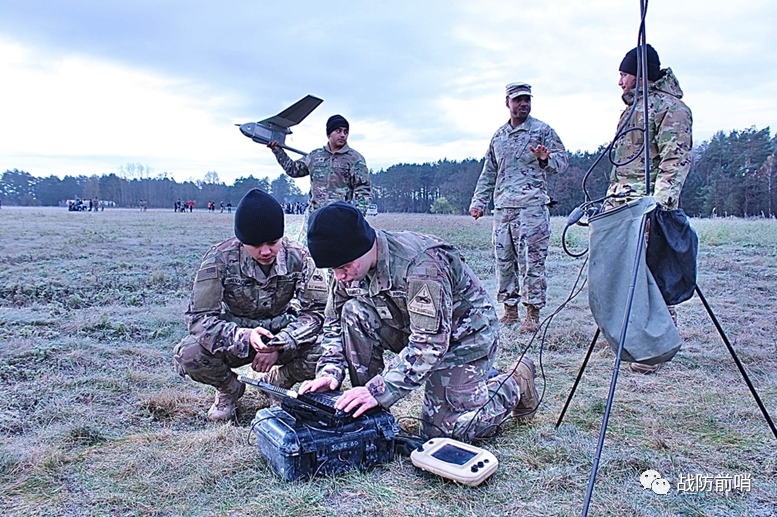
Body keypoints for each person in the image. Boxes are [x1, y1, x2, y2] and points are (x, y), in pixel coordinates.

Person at [299, 202, 539, 442]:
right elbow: (333, 324)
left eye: (343, 267)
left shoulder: (421, 264)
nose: (339, 276)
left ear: (364, 245)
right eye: (332, 269)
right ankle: (373, 418)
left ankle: (515, 383)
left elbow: (430, 344)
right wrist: (330, 371)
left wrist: (379, 390)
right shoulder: (345, 269)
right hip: (408, 329)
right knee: (353, 312)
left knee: (445, 432)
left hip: (464, 338)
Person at [173, 189, 328, 421]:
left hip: (283, 332)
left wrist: (280, 344)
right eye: (255, 245)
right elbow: (199, 318)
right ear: (242, 240)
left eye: (273, 243)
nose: (266, 251)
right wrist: (243, 337)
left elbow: (316, 313)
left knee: (330, 348)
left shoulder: (300, 256)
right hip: (234, 336)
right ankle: (229, 389)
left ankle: (279, 382)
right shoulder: (219, 258)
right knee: (188, 354)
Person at [607, 45, 693, 374]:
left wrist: (660, 207)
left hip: (649, 209)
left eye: (624, 74)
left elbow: (675, 160)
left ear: (641, 74)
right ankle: (629, 338)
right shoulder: (632, 110)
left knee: (653, 275)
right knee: (625, 274)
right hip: (622, 207)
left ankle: (656, 348)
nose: (619, 81)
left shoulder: (672, 109)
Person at [469, 83, 568, 332]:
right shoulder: (499, 136)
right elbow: (489, 172)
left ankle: (532, 314)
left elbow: (562, 161)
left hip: (532, 208)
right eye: (518, 100)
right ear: (507, 103)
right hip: (504, 210)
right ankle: (510, 311)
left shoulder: (542, 131)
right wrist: (479, 203)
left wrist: (546, 159)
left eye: (527, 99)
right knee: (504, 261)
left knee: (532, 262)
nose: (523, 104)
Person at [268, 115, 372, 240]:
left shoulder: (355, 159)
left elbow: (363, 191)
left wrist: (356, 219)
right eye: (338, 131)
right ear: (329, 134)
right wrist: (278, 151)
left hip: (339, 219)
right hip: (313, 218)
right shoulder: (315, 156)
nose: (343, 135)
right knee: (306, 254)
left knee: (334, 256)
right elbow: (293, 170)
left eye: (346, 132)